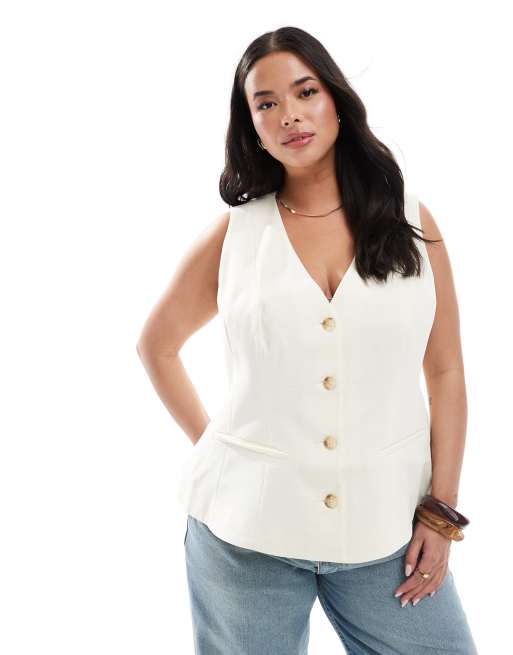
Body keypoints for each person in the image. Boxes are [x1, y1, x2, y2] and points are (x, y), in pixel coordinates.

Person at [137, 26, 478, 655]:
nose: (289, 115)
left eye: (305, 92)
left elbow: (446, 370)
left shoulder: (409, 220)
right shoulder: (236, 236)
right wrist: (219, 449)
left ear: (335, 100)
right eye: (266, 103)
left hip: (386, 533)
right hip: (244, 541)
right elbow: (156, 346)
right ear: (251, 127)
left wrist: (441, 511)